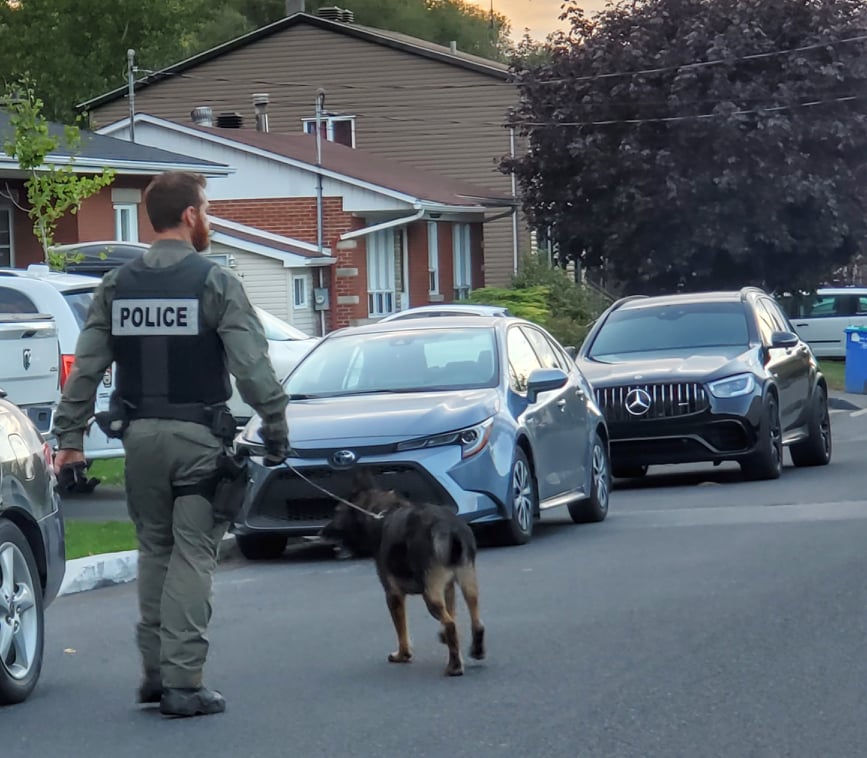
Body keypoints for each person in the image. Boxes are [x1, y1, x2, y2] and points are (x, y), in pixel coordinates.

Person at [52, 171, 290, 718]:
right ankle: (184, 683)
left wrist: (69, 438)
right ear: (189, 214)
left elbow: (86, 369)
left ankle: (156, 675)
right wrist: (276, 427)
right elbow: (252, 368)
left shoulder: (117, 285)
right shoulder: (215, 282)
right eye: (206, 209)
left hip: (138, 441)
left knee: (155, 550)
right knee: (193, 553)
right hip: (197, 439)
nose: (208, 219)